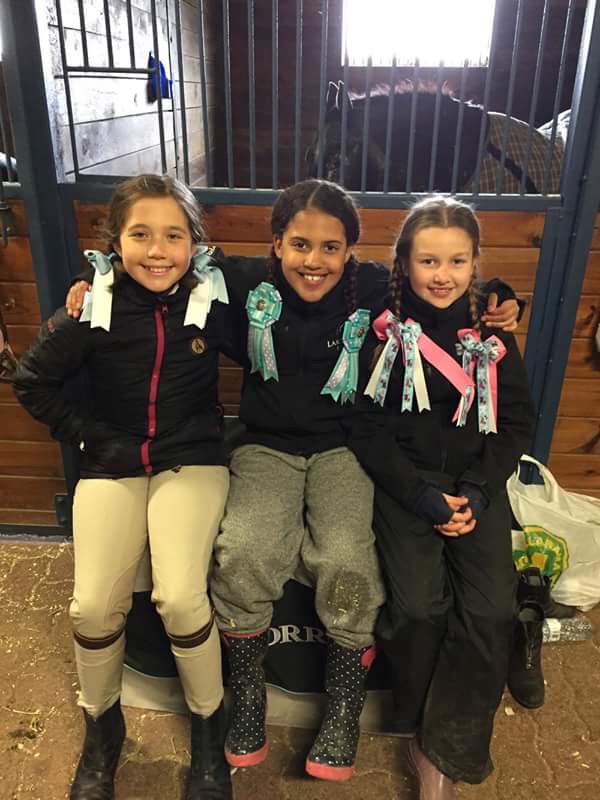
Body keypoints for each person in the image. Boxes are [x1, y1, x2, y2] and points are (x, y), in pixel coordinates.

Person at [64, 179, 522, 784]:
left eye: (331, 247)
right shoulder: (243, 280)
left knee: (348, 559)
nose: (314, 260)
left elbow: (434, 279)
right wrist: (94, 279)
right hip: (266, 446)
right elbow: (164, 261)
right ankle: (248, 690)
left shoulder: (372, 289)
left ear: (351, 252)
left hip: (344, 448)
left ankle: (343, 702)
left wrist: (499, 295)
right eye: (300, 244)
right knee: (245, 549)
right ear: (276, 243)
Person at [13, 175, 238, 800]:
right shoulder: (95, 303)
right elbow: (32, 382)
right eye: (141, 235)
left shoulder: (216, 297)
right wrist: (87, 436)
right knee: (90, 606)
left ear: (196, 243)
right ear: (115, 242)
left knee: (181, 598)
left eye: (174, 236)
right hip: (112, 460)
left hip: (189, 459)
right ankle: (103, 727)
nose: (158, 251)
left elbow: (292, 308)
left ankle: (207, 729)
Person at [348, 196, 534, 798]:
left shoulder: (493, 332)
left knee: (491, 610)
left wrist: (478, 492)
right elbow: (367, 428)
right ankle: (415, 727)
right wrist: (421, 496)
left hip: (476, 485)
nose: (442, 274)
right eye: (428, 260)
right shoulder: (384, 330)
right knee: (420, 609)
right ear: (403, 262)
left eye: (457, 261)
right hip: (409, 485)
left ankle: (444, 749)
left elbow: (516, 423)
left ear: (476, 262)